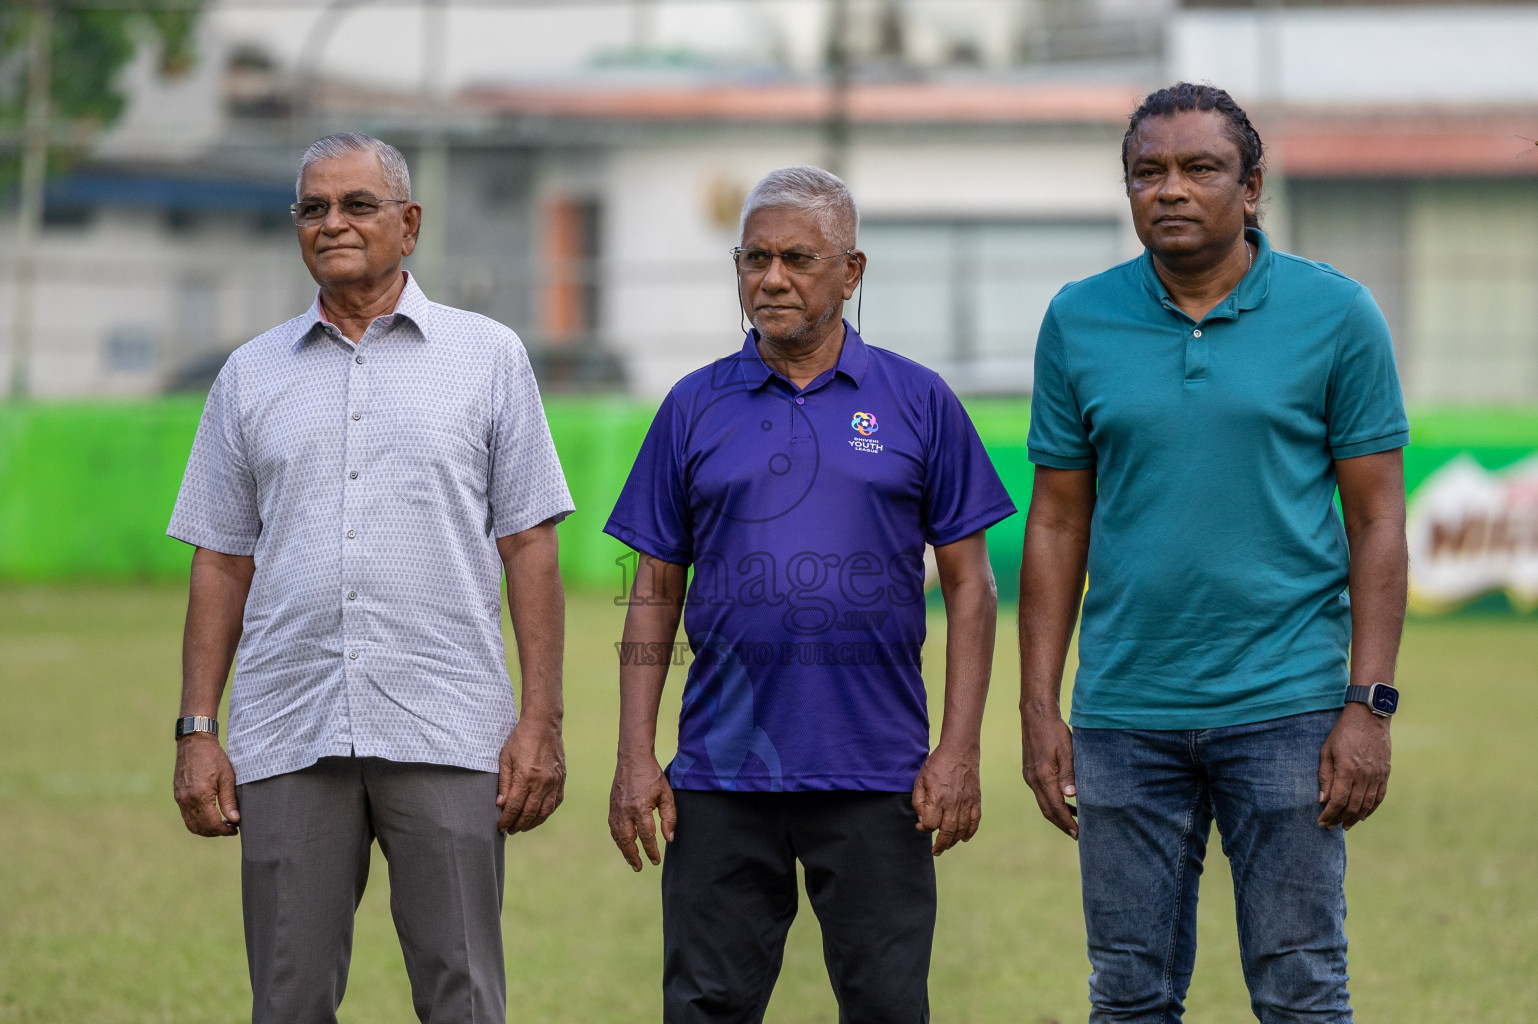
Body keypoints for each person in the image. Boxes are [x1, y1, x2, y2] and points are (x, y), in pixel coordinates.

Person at [1019, 82, 1409, 1023]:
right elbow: (1057, 523)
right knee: (1129, 994)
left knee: (1303, 988)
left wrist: (1370, 705)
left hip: (1288, 712)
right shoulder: (1078, 320)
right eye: (1148, 171)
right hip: (1122, 716)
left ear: (1253, 185)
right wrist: (1039, 707)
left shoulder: (1337, 314)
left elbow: (1378, 522)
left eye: (1201, 168)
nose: (1172, 190)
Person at [167, 132, 574, 1024]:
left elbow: (531, 546)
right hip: (289, 728)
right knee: (287, 997)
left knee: (463, 995)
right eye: (313, 207)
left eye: (357, 204)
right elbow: (221, 559)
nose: (333, 223)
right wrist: (199, 729)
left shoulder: (489, 357)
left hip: (448, 723)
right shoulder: (249, 375)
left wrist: (540, 720)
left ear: (410, 223)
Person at [605, 165, 1017, 1023]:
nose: (772, 278)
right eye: (754, 258)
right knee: (706, 1006)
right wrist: (636, 754)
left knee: (886, 1006)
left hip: (879, 775)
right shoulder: (692, 406)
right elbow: (651, 589)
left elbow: (972, 588)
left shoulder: (918, 401)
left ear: (852, 272)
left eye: (797, 257)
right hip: (722, 773)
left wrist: (960, 750)